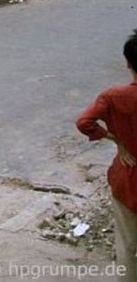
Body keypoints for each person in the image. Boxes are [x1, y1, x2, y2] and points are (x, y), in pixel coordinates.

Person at [76, 30, 137, 282]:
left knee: (127, 246)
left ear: (128, 63)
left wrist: (115, 139)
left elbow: (84, 122)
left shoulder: (113, 97)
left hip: (127, 179)